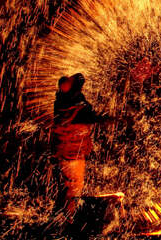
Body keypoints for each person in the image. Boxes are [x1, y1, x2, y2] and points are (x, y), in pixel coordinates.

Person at [51, 73, 113, 218]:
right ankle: (67, 219)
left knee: (66, 187)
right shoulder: (76, 108)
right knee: (74, 188)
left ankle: (59, 217)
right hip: (74, 154)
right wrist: (116, 119)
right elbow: (94, 118)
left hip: (63, 152)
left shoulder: (61, 103)